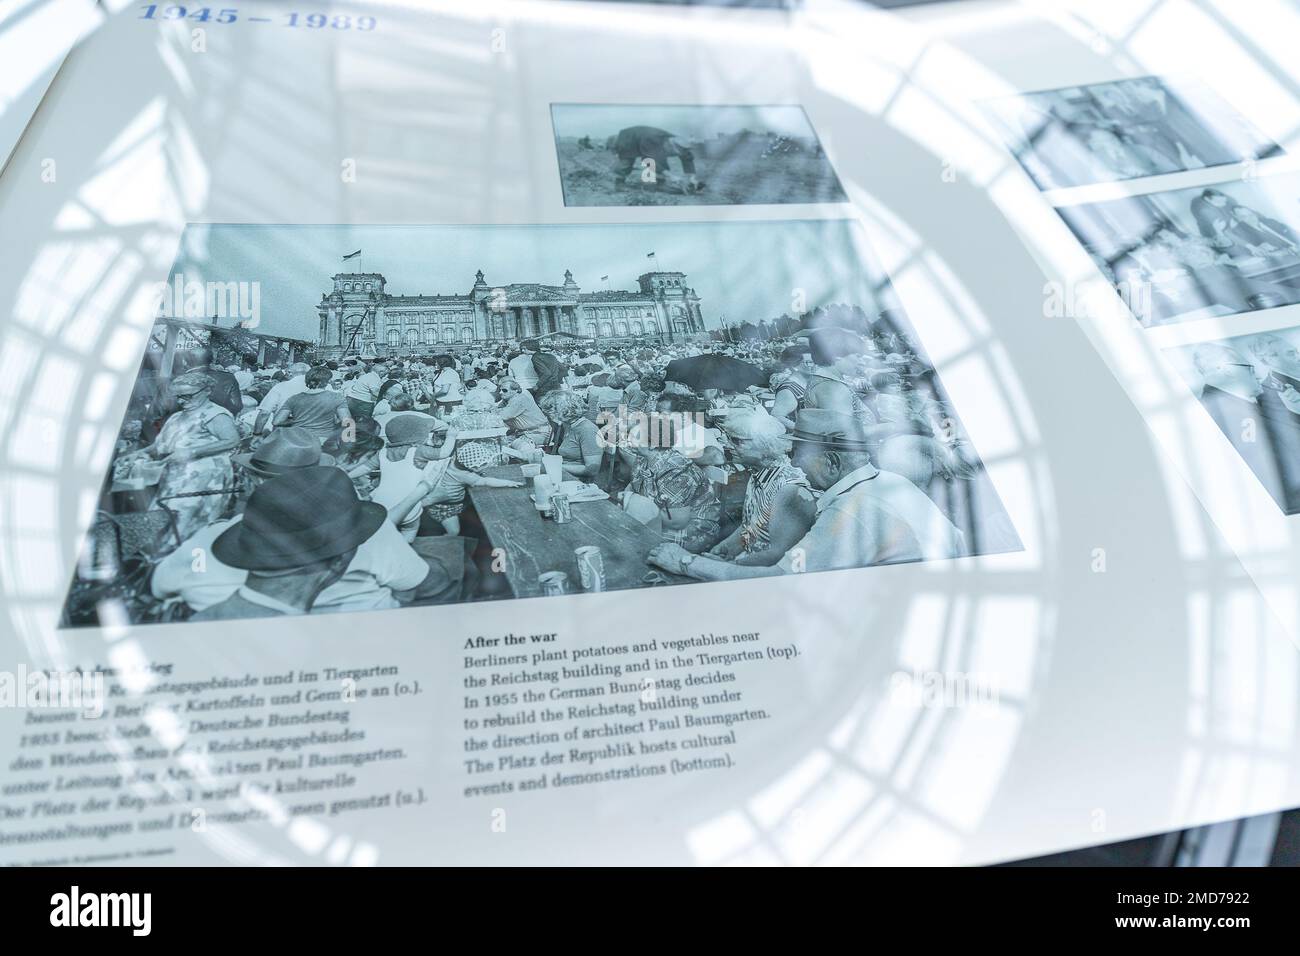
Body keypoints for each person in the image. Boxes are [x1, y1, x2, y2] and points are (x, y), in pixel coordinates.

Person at [647, 409, 964, 580]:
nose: (795, 462)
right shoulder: (887, 482)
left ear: (831, 462)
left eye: (800, 453)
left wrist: (686, 562)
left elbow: (778, 579)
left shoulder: (851, 508)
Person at [132, 371, 241, 541]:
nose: (182, 401)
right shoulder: (176, 417)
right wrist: (140, 453)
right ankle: (159, 554)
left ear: (207, 391)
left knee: (187, 521)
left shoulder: (216, 414)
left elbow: (232, 440)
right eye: (178, 397)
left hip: (205, 477)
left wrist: (192, 452)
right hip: (176, 475)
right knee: (165, 515)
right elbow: (160, 445)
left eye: (188, 396)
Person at [1192, 342, 1300, 513]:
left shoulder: (1253, 401)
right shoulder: (1219, 414)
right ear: (1227, 369)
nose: (1256, 374)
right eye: (1249, 368)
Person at [707, 410, 815, 566]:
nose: (727, 445)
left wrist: (724, 566)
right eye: (728, 438)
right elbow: (750, 527)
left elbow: (780, 555)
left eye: (736, 440)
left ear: (766, 444)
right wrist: (725, 549)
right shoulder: (757, 473)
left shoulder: (789, 487)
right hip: (748, 563)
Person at [273, 366, 350, 445]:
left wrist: (295, 421)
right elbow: (347, 422)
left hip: (298, 440)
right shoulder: (337, 397)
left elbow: (277, 422)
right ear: (328, 381)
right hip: (324, 440)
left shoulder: (294, 398)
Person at [611, 125, 700, 194]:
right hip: (630, 138)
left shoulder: (680, 142)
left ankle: (660, 184)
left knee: (661, 158)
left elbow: (687, 157)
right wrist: (671, 176)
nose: (675, 155)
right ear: (669, 145)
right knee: (626, 161)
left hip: (646, 139)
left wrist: (692, 178)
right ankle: (619, 184)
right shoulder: (652, 140)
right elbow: (647, 160)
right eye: (674, 152)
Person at [540, 389, 604, 481]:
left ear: (565, 411)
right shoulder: (568, 425)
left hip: (578, 481)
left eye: (551, 413)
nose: (548, 416)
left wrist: (556, 466)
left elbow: (592, 470)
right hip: (564, 475)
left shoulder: (588, 430)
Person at [253, 362, 312, 435]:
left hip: (283, 434)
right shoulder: (322, 388)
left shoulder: (281, 387)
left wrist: (257, 434)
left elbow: (264, 413)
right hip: (311, 435)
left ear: (290, 373)